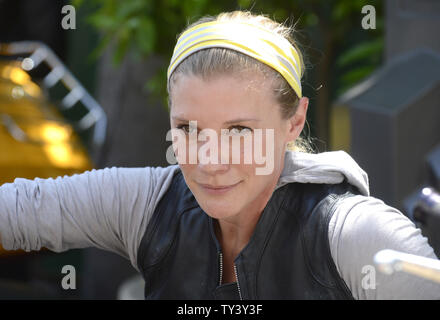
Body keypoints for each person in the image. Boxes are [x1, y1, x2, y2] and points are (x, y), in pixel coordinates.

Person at [0, 10, 439, 300]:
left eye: (240, 131)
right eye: (187, 128)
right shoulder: (150, 204)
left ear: (295, 121)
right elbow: (21, 210)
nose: (210, 161)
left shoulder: (354, 233)